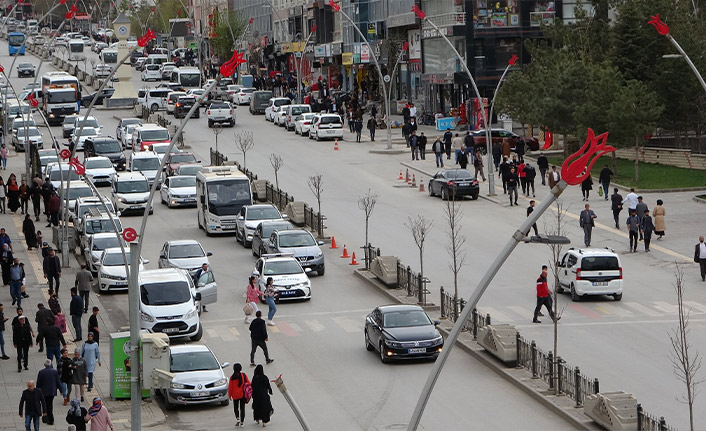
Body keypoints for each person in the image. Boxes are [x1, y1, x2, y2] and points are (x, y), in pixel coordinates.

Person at [36, 359, 61, 425]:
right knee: (50, 404)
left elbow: (39, 383)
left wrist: (37, 391)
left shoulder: (41, 372)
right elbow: (58, 382)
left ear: (44, 365)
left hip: (44, 391)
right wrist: (61, 390)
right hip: (52, 391)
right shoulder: (55, 372)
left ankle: (48, 418)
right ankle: (49, 418)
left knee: (45, 405)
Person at [228, 363, 250, 427]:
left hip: (235, 395)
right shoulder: (243, 375)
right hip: (242, 395)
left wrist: (229, 395)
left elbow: (230, 388)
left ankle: (238, 418)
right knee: (242, 408)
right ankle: (242, 422)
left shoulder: (232, 378)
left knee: (235, 407)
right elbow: (248, 383)